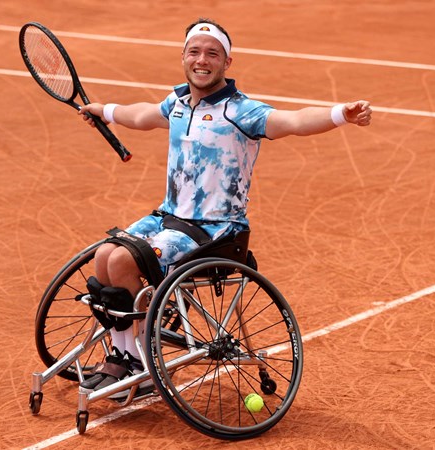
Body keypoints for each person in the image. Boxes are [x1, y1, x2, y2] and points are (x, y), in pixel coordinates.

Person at [77, 18, 372, 396]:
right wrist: (106, 109)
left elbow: (293, 121)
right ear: (184, 57)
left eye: (212, 53)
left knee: (120, 262)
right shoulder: (178, 103)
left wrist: (340, 115)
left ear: (227, 63)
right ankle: (125, 353)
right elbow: (141, 115)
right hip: (170, 216)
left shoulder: (241, 111)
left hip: (216, 228)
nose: (202, 60)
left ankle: (141, 365)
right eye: (195, 52)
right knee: (104, 256)